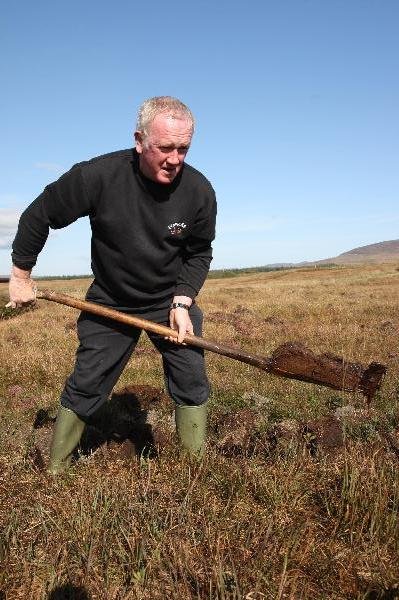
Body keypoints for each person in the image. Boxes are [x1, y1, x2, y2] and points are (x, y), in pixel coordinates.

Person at [8, 96, 217, 473]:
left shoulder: (199, 192)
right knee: (88, 382)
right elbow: (40, 214)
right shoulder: (98, 176)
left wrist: (183, 301)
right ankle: (56, 473)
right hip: (110, 301)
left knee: (191, 378)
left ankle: (195, 471)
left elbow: (199, 252)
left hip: (168, 301)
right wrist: (21, 275)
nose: (174, 159)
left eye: (183, 148)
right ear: (139, 140)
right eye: (165, 147)